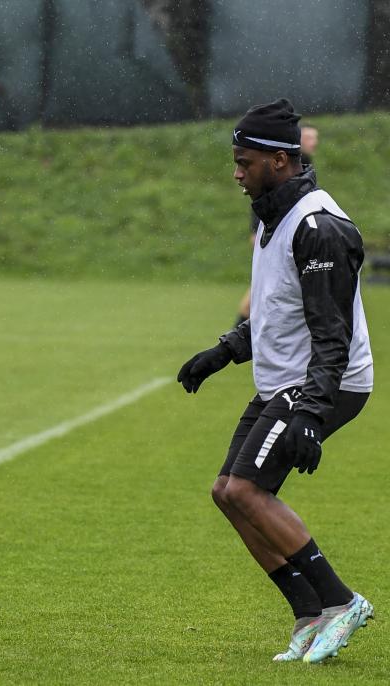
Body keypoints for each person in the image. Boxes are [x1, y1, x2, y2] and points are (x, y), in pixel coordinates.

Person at [179, 99, 373, 664]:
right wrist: (224, 351)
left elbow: (331, 334)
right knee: (227, 493)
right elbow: (275, 312)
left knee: (247, 490)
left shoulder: (320, 228)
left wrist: (313, 413)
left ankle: (340, 602)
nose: (236, 173)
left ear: (280, 161)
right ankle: (308, 614)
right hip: (286, 382)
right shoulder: (272, 215)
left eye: (244, 162)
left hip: (324, 383)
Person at [236, 124, 320, 324]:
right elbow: (264, 200)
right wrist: (257, 231)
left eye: (315, 138)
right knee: (254, 304)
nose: (313, 142)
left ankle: (236, 343)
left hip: (289, 241)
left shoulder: (302, 171)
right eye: (309, 137)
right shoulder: (279, 173)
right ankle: (236, 344)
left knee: (257, 304)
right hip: (273, 236)